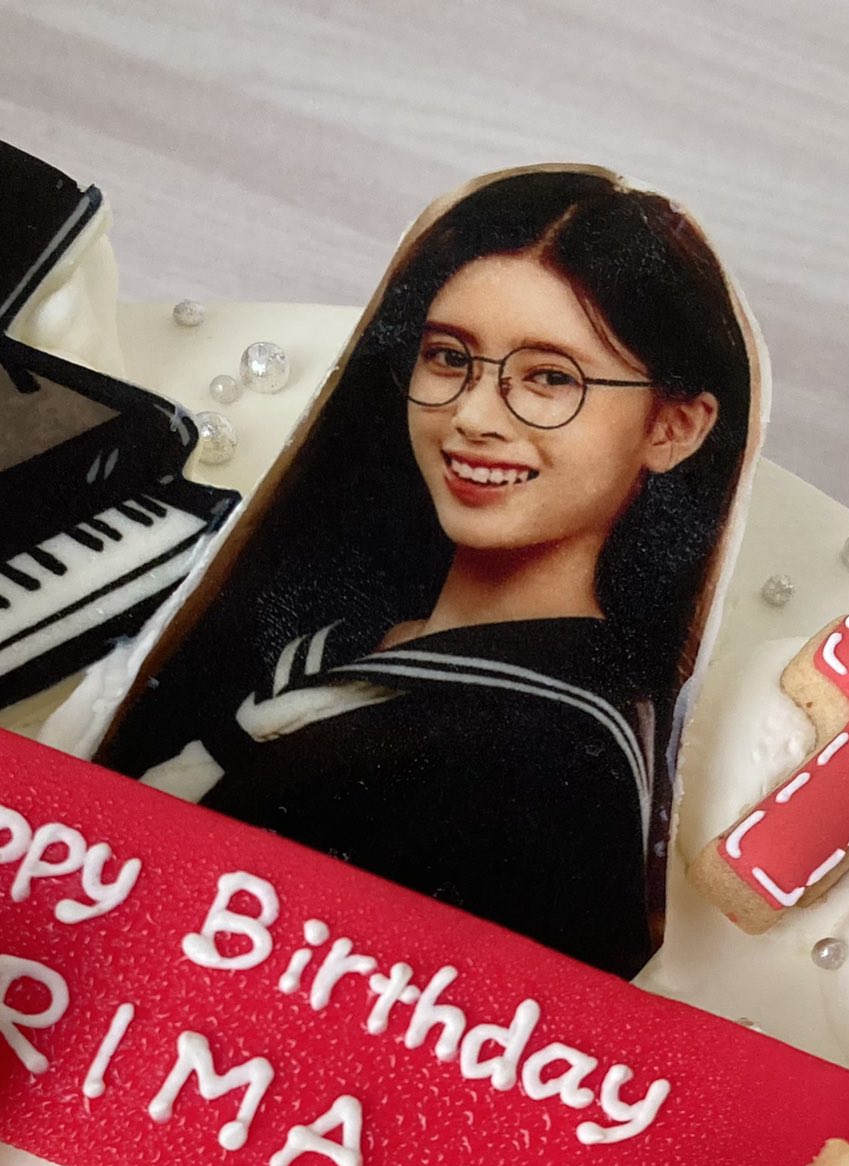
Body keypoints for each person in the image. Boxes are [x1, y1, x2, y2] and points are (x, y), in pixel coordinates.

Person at [94, 168, 759, 977]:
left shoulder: (549, 778)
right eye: (449, 357)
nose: (472, 417)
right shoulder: (342, 642)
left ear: (674, 427)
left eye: (551, 377)